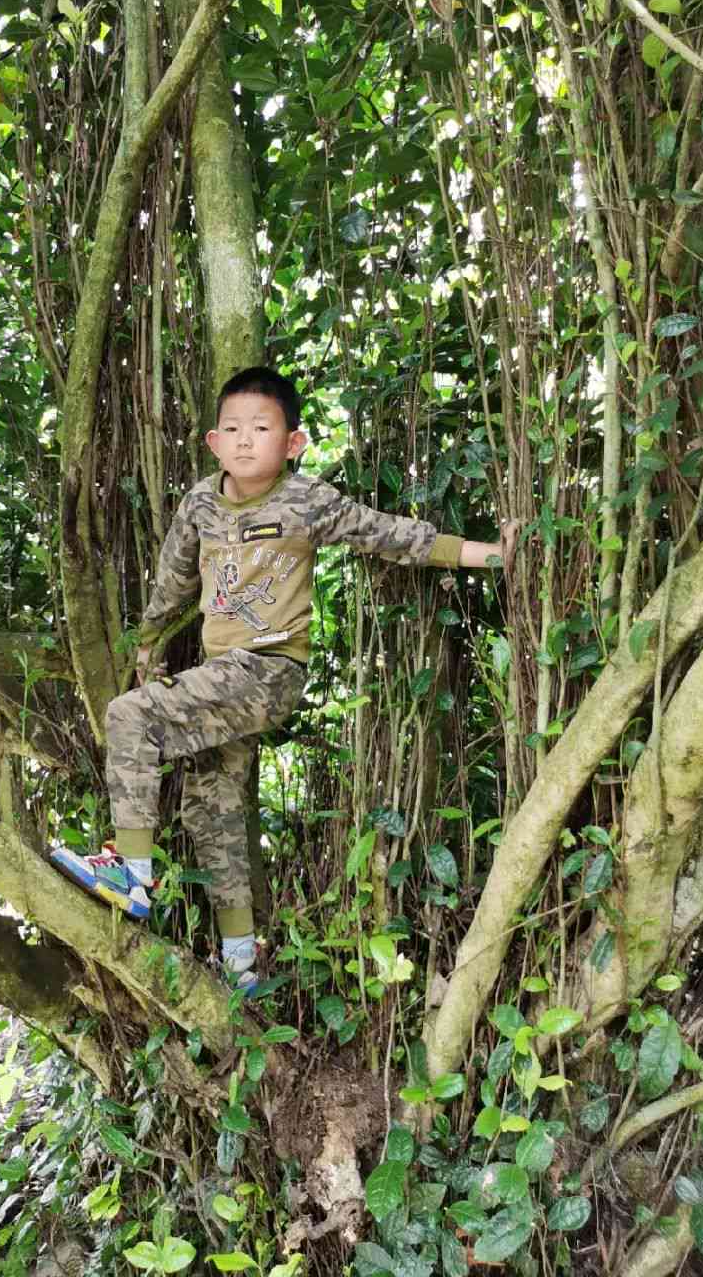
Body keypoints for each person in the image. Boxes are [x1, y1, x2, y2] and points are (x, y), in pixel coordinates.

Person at [50, 367, 517, 991]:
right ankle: (241, 965)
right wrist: (150, 642)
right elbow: (173, 582)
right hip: (222, 677)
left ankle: (132, 877)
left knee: (129, 716)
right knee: (209, 809)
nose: (247, 441)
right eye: (234, 430)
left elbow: (386, 534)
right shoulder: (199, 505)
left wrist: (486, 553)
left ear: (291, 443)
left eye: (263, 429)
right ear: (215, 442)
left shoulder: (304, 501)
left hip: (270, 671)